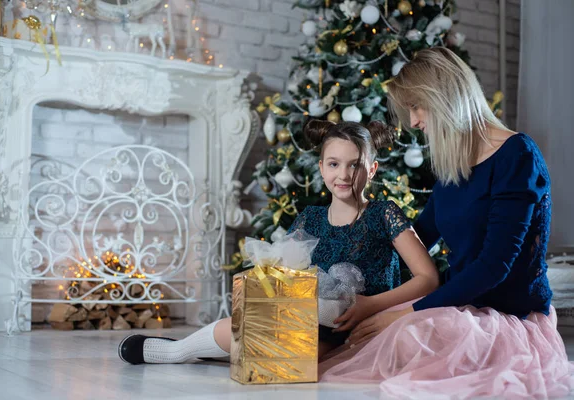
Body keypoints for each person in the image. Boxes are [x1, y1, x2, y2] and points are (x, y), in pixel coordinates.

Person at [318, 47, 574, 399]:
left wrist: (403, 314)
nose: (413, 121)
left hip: (506, 317)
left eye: (416, 106)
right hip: (457, 304)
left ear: (444, 97)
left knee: (404, 340)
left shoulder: (518, 156)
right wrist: (357, 279)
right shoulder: (453, 166)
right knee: (363, 338)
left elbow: (494, 266)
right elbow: (418, 238)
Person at [117, 120, 440, 365]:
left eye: (355, 165)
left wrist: (371, 305)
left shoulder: (384, 214)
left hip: (363, 324)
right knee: (239, 325)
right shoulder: (310, 218)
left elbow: (427, 278)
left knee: (299, 353)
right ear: (321, 168)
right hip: (313, 317)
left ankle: (222, 352)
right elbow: (288, 270)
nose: (344, 174)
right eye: (334, 164)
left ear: (371, 170)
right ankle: (177, 352)